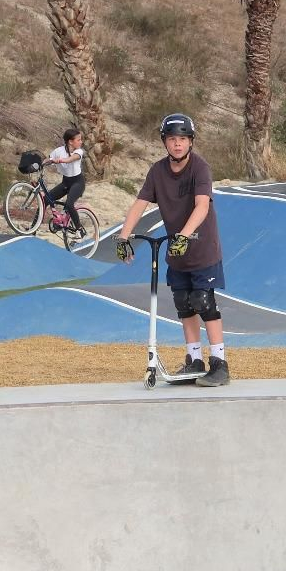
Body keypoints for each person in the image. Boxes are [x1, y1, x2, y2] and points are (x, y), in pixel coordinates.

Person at [114, 113, 230, 387]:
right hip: (176, 252)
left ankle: (219, 363)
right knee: (183, 304)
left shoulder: (200, 169)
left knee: (203, 301)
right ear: (165, 142)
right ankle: (194, 360)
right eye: (172, 139)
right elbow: (140, 203)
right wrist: (123, 237)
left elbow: (202, 205)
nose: (177, 145)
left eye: (182, 139)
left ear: (190, 142)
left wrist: (184, 236)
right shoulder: (157, 171)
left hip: (201, 247)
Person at [46, 128, 86, 235]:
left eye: (80, 139)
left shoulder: (79, 151)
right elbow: (48, 159)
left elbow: (72, 159)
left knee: (69, 204)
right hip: (66, 182)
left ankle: (79, 229)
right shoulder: (59, 151)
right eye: (79, 140)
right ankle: (33, 228)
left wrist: (60, 160)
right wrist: (40, 164)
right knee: (46, 199)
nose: (81, 142)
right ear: (70, 141)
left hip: (78, 182)